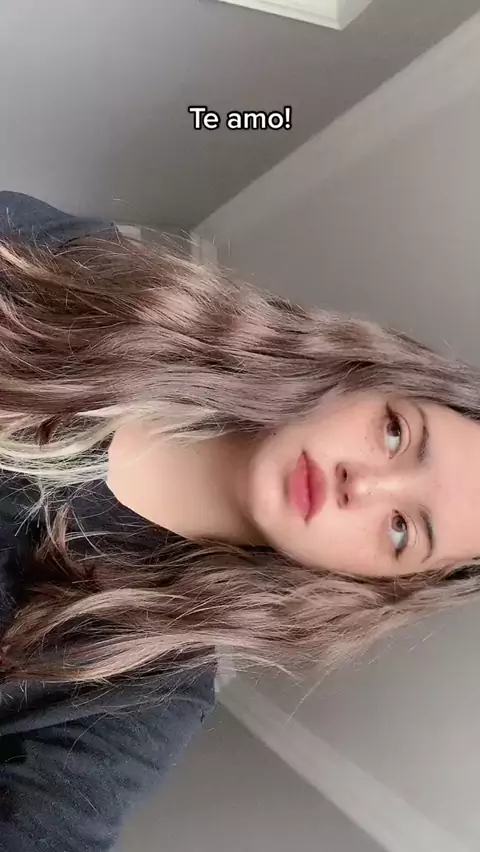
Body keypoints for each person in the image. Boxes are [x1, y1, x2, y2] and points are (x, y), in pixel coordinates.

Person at [0, 191, 479, 849]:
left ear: (376, 583)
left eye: (401, 529)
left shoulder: (143, 685)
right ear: (367, 380)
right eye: (396, 434)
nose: (364, 484)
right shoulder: (110, 278)